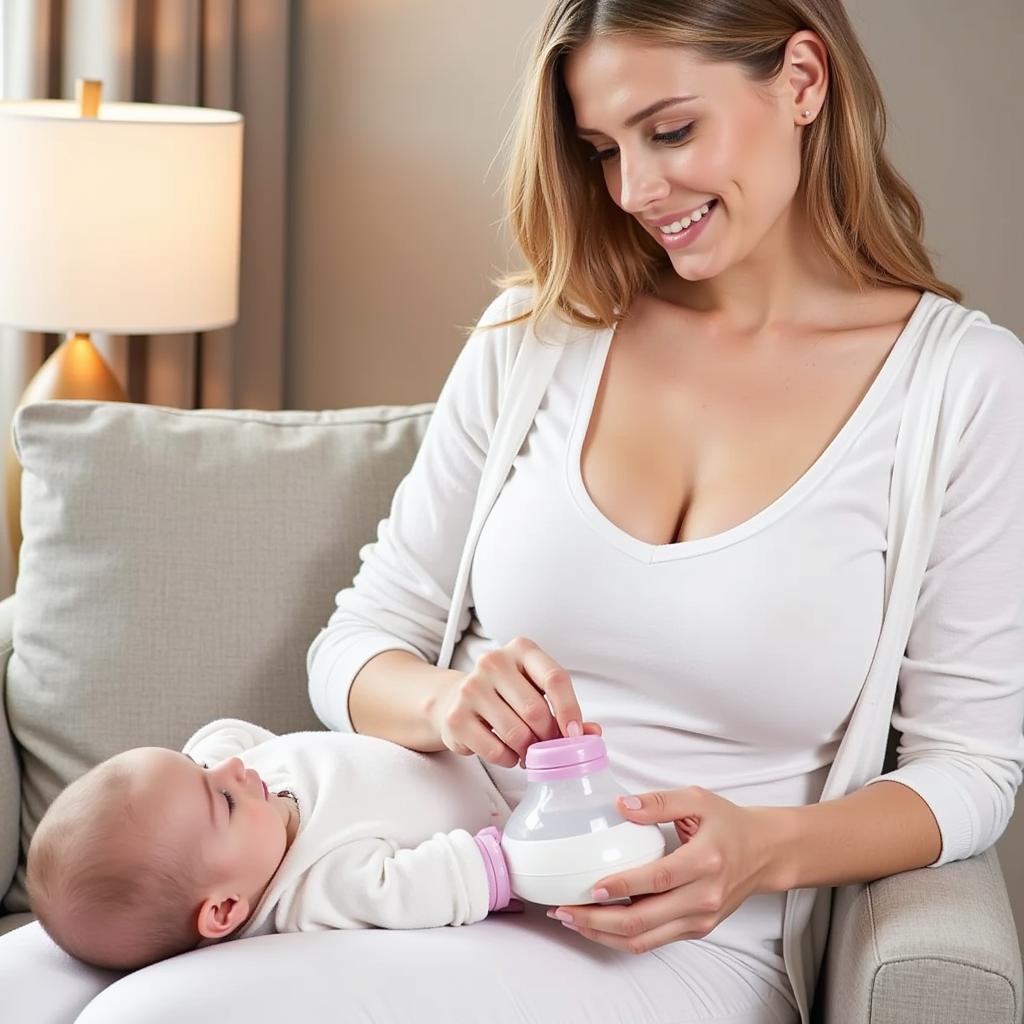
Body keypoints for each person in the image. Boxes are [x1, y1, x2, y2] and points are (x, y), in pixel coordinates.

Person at [305, 2, 1024, 1023]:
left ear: (803, 81)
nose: (636, 190)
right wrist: (444, 705)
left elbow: (972, 768)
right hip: (418, 879)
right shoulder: (536, 334)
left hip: (673, 954)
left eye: (671, 129)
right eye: (601, 149)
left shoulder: (962, 386)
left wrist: (763, 848)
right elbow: (356, 641)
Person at [25, 718, 520, 971]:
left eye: (198, 766)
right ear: (223, 909)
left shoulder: (250, 790)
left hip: (461, 747)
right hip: (505, 803)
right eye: (221, 797)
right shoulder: (316, 889)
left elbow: (227, 736)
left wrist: (192, 775)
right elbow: (416, 887)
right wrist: (504, 863)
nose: (231, 769)